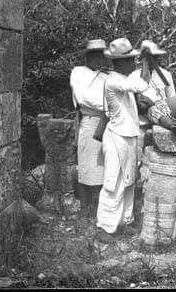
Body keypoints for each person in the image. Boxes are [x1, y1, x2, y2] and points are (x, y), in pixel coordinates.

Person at [95, 38, 149, 243]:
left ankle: (125, 221)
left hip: (128, 136)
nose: (132, 63)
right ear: (119, 63)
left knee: (128, 180)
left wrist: (143, 61)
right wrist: (145, 61)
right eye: (130, 60)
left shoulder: (122, 78)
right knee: (113, 181)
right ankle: (104, 226)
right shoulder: (114, 80)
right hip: (117, 137)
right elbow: (140, 85)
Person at [70, 39, 108, 219]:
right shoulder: (78, 72)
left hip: (108, 122)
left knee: (104, 165)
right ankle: (85, 207)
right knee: (87, 164)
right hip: (90, 120)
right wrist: (109, 106)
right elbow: (84, 97)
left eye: (100, 55)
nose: (97, 59)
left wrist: (110, 108)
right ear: (87, 56)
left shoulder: (107, 76)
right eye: (93, 55)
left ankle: (101, 207)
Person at [130, 40, 176, 182]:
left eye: (153, 57)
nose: (151, 61)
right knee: (137, 157)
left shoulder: (165, 75)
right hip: (141, 124)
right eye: (147, 57)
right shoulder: (134, 76)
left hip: (162, 124)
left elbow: (172, 98)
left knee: (159, 160)